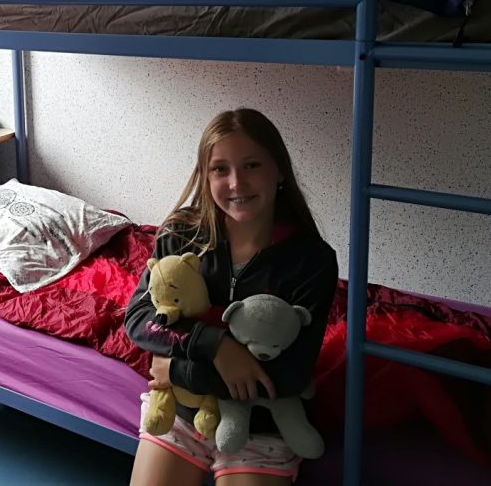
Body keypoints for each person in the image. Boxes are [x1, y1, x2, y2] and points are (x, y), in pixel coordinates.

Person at [124, 109, 339, 485]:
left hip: (262, 425)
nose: (237, 183)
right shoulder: (180, 235)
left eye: (252, 165)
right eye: (220, 169)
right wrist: (216, 346)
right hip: (182, 414)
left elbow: (290, 376)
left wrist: (177, 370)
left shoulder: (311, 260)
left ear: (279, 171)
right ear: (205, 177)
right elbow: (140, 319)